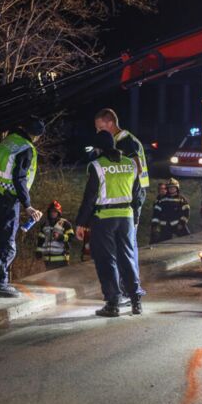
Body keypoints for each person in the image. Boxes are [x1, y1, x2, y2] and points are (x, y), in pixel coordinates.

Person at [75, 130, 143, 317]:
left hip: (104, 219)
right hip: (126, 218)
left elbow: (90, 197)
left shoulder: (97, 166)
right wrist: (135, 218)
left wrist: (81, 223)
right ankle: (136, 300)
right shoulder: (130, 164)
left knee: (107, 261)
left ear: (98, 148)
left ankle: (113, 304)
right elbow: (137, 195)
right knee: (127, 258)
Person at [94, 108, 148, 301]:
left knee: (127, 245)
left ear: (110, 123)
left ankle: (130, 289)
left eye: (100, 128)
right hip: (130, 196)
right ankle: (129, 288)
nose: (98, 132)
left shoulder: (125, 141)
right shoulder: (122, 140)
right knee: (124, 244)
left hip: (131, 198)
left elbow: (136, 168)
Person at [0, 119, 45, 297]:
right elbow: (19, 178)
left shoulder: (7, 140)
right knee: (8, 244)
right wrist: (27, 205)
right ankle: (0, 284)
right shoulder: (26, 148)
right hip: (8, 199)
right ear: (36, 136)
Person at [35, 200, 74, 269]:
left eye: (55, 211)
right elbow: (41, 240)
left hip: (62, 258)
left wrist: (60, 237)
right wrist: (38, 251)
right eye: (51, 211)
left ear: (59, 212)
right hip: (47, 260)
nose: (53, 213)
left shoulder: (65, 223)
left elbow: (71, 237)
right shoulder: (45, 224)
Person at [151, 178, 191, 244]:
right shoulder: (162, 200)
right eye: (169, 188)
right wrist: (155, 225)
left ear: (177, 188)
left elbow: (186, 212)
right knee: (160, 243)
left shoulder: (181, 199)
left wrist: (182, 223)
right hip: (165, 226)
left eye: (173, 187)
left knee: (188, 240)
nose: (171, 189)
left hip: (177, 224)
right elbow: (156, 213)